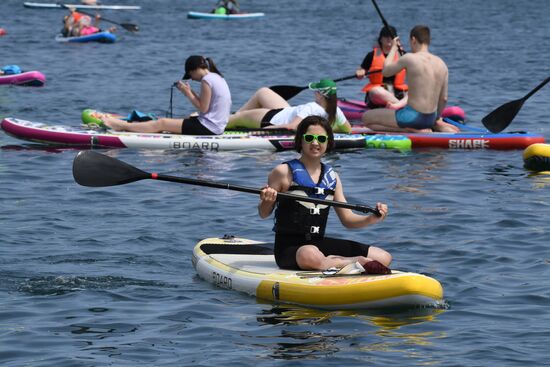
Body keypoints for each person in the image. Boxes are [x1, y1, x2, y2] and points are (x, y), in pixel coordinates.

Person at [258, 115, 392, 272]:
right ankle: (355, 262)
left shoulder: (332, 177)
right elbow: (263, 213)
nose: (315, 143)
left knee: (383, 257)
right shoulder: (283, 172)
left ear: (328, 142)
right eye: (309, 138)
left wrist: (371, 218)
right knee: (310, 255)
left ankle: (332, 262)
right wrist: (267, 200)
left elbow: (348, 220)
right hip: (290, 250)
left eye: (321, 138)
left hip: (318, 244)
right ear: (300, 140)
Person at [362, 25, 459, 133]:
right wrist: (436, 118)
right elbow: (444, 98)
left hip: (411, 118)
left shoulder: (409, 58)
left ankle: (412, 130)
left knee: (366, 118)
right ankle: (430, 127)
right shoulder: (442, 64)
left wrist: (394, 48)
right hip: (430, 118)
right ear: (428, 41)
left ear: (413, 40)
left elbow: (386, 71)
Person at [101, 55, 232, 135]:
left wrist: (187, 93)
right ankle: (138, 126)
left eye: (190, 75)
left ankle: (121, 126)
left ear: (195, 69)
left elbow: (203, 108)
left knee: (162, 122)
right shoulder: (217, 77)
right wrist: (190, 91)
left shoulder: (206, 80)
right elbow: (207, 105)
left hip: (209, 128)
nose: (191, 78)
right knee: (178, 121)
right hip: (216, 126)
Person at [226, 79, 352, 133]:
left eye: (315, 91)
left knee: (238, 117)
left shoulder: (311, 107)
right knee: (263, 92)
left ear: (320, 94)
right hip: (286, 111)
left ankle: (220, 122)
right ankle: (229, 116)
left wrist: (263, 131)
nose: (314, 94)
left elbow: (291, 127)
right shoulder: (337, 111)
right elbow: (348, 130)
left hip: (271, 119)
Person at [356, 25, 408, 110]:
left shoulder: (403, 55)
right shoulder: (372, 55)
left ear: (395, 40)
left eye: (391, 37)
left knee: (416, 89)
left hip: (398, 93)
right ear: (381, 39)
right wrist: (360, 73)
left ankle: (397, 106)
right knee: (375, 91)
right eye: (386, 36)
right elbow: (362, 70)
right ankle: (402, 108)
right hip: (378, 96)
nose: (388, 39)